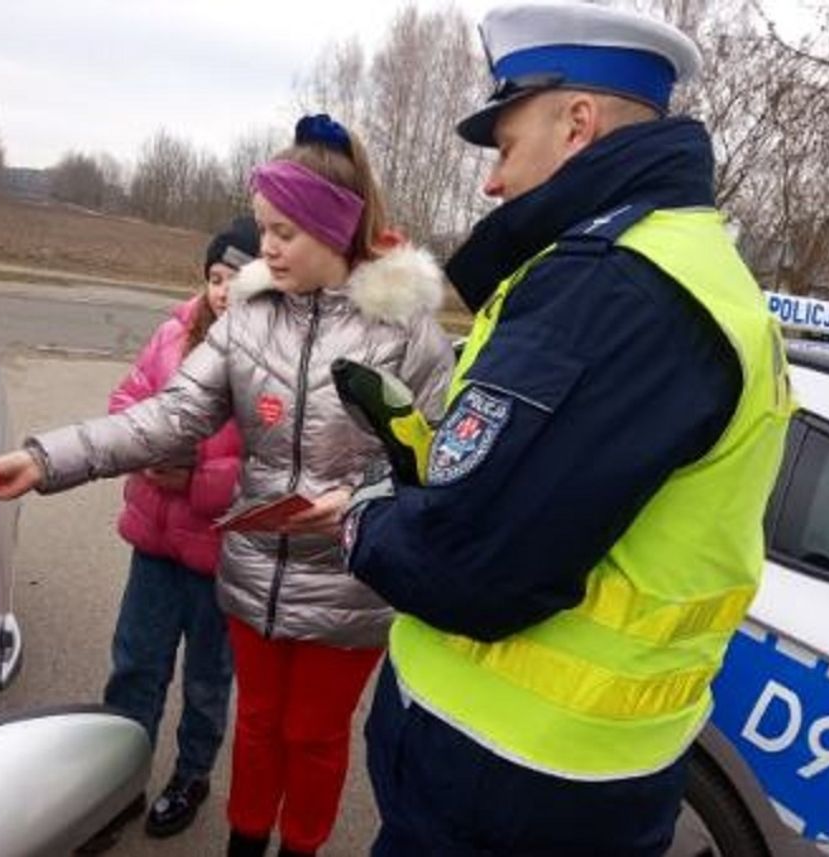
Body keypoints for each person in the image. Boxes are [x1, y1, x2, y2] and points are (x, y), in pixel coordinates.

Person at [339, 4, 794, 855]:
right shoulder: (692, 266)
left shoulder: (615, 288)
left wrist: (362, 512)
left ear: (577, 123)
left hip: (509, 781)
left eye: (505, 149)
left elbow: (469, 565)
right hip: (584, 769)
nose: (492, 183)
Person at [0, 114, 454, 857]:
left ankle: (302, 847)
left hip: (351, 578)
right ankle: (245, 842)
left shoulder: (406, 331)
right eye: (263, 229)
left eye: (285, 230)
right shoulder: (248, 316)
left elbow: (438, 460)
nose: (267, 248)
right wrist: (44, 458)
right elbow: (168, 415)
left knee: (314, 736)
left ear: (336, 228)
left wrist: (361, 507)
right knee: (257, 725)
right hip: (253, 570)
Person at [76, 219, 256, 854]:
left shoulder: (276, 363)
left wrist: (197, 478)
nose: (223, 293)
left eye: (238, 281)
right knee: (135, 668)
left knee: (208, 682)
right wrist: (140, 446)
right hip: (154, 548)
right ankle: (118, 783)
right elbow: (128, 400)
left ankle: (191, 777)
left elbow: (276, 473)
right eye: (215, 278)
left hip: (222, 561)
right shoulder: (171, 334)